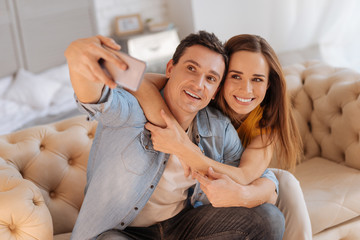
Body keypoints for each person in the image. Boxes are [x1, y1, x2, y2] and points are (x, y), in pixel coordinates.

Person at [65, 31, 284, 240]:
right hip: (123, 231)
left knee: (268, 218)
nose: (198, 84)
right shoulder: (132, 112)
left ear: (216, 90)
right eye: (191, 68)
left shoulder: (219, 127)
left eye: (210, 78)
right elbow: (94, 97)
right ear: (170, 68)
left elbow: (259, 177)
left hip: (182, 226)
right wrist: (77, 59)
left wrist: (248, 193)